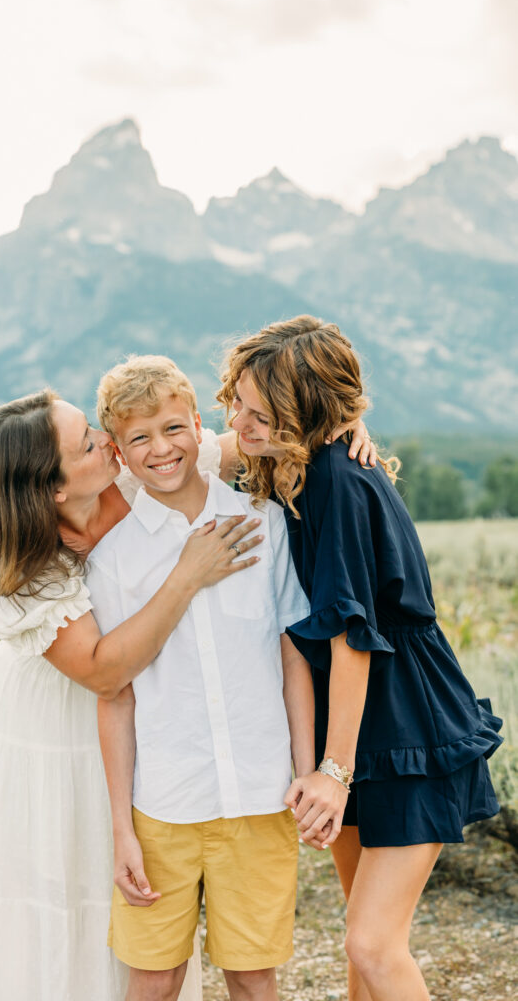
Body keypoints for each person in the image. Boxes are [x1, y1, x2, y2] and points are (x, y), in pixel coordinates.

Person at [217, 315, 503, 1001]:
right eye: (235, 400)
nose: (236, 420)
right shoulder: (295, 464)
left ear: (304, 415)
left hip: (405, 724)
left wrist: (331, 772)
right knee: (360, 944)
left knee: (371, 945)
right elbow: (193, 451)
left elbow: (352, 638)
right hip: (358, 726)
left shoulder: (336, 483)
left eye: (258, 412)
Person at [0, 388, 263, 1001]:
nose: (109, 441)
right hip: (50, 721)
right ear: (54, 490)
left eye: (93, 427)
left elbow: (262, 441)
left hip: (139, 705)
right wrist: (187, 574)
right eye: (89, 442)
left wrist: (347, 420)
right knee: (65, 875)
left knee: (145, 882)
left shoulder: (146, 465)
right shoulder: (16, 565)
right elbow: (100, 673)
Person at [88, 355, 315, 1001]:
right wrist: (121, 831)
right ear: (119, 453)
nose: (160, 449)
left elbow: (290, 655)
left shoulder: (263, 522)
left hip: (260, 794)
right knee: (155, 978)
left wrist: (303, 770)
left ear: (197, 425)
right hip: (164, 803)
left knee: (251, 976)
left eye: (171, 428)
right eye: (138, 438)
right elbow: (116, 696)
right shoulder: (114, 560)